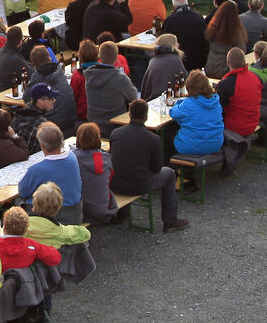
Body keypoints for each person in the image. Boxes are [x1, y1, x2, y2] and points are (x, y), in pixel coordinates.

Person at [109, 99, 189, 232]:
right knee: (169, 173)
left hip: (115, 184)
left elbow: (116, 160)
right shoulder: (153, 139)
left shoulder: (116, 134)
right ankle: (170, 221)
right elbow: (157, 168)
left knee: (124, 167)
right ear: (146, 117)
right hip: (139, 185)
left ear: (129, 115)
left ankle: (121, 214)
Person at [18, 121, 82, 221]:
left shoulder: (37, 169)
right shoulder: (72, 157)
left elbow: (22, 191)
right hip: (74, 214)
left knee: (19, 200)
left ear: (42, 145)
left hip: (49, 217)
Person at [170, 70, 224, 160]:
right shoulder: (215, 101)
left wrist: (179, 102)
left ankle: (170, 168)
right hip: (215, 144)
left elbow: (173, 113)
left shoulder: (188, 104)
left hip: (191, 146)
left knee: (168, 135)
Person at [84, 41, 138, 130]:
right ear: (116, 58)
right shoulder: (120, 79)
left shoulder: (90, 75)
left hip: (93, 124)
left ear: (99, 57)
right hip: (115, 125)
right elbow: (134, 97)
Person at [72, 122, 119, 223]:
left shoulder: (73, 159)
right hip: (104, 208)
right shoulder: (105, 157)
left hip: (84, 211)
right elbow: (109, 178)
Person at [217, 47, 264, 146]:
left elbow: (219, 109)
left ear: (227, 63)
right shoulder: (256, 78)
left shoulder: (227, 84)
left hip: (235, 127)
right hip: (253, 122)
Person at [162, 0, 208, 71]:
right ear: (187, 4)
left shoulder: (170, 20)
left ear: (174, 7)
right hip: (200, 59)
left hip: (179, 61)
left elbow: (163, 41)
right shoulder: (199, 17)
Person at [204, 1, 247, 79]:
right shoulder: (236, 32)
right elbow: (241, 51)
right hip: (226, 70)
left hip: (210, 66)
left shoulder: (213, 27)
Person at [138, 34, 186, 100]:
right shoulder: (176, 60)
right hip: (167, 98)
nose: (178, 44)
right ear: (172, 45)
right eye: (176, 42)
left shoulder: (153, 60)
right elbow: (184, 81)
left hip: (151, 99)